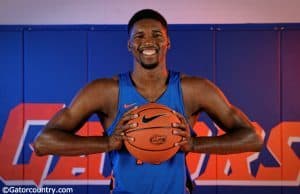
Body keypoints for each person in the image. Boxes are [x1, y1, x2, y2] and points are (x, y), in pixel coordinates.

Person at [33, 9, 263, 194]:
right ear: (130, 45)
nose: (148, 41)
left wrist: (195, 145)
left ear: (168, 43)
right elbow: (43, 143)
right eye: (139, 36)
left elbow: (252, 139)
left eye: (157, 34)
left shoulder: (195, 90)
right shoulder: (104, 91)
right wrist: (108, 143)